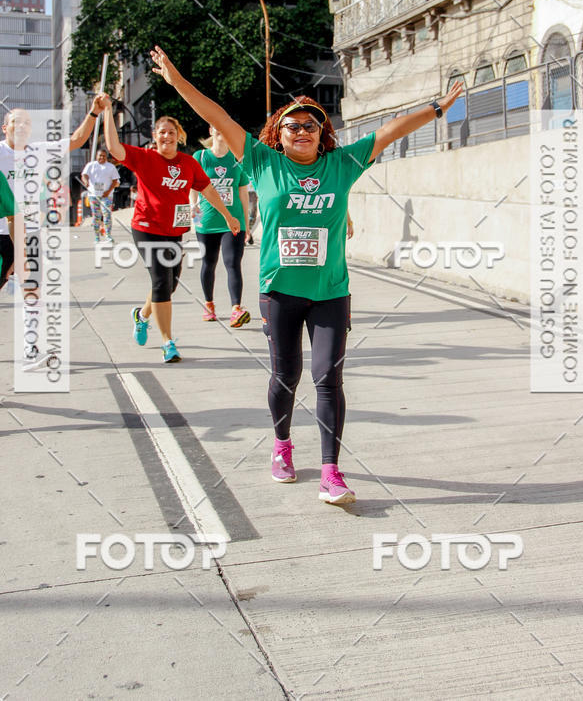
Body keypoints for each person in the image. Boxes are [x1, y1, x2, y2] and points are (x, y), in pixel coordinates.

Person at [151, 45, 462, 503]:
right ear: (279, 133)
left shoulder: (342, 164)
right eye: (293, 125)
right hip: (280, 292)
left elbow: (389, 131)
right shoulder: (262, 162)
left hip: (331, 293)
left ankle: (331, 472)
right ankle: (281, 446)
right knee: (285, 376)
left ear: (323, 133)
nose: (302, 130)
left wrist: (437, 108)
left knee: (328, 379)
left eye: (311, 124)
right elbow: (217, 116)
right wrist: (177, 82)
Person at [98, 95, 241, 363]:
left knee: (170, 284)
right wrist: (107, 112)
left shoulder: (188, 164)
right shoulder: (145, 158)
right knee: (161, 282)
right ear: (155, 135)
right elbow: (115, 148)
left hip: (175, 231)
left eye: (171, 132)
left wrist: (229, 216)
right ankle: (168, 342)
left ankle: (141, 316)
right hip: (146, 227)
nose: (167, 136)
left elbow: (208, 189)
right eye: (162, 132)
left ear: (179, 136)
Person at [0, 101, 104, 292]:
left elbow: (76, 140)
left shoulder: (38, 151)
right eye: (16, 121)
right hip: (1, 234)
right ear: (5, 128)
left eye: (26, 123)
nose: (22, 126)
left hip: (30, 233)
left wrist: (94, 113)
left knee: (32, 291)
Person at [191, 126, 251, 327]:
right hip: (207, 222)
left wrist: (247, 224)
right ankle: (209, 305)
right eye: (216, 127)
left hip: (233, 222)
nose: (220, 130)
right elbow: (193, 187)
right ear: (210, 129)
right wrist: (193, 208)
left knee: (233, 263)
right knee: (209, 263)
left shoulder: (237, 159)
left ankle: (236, 309)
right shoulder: (200, 157)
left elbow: (243, 193)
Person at [81, 148, 120, 244]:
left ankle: (108, 235)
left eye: (104, 156)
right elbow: (84, 175)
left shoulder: (110, 167)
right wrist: (86, 181)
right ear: (96, 156)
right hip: (93, 194)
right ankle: (97, 237)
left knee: (107, 215)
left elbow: (115, 181)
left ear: (106, 157)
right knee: (96, 216)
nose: (102, 157)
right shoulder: (91, 165)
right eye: (100, 155)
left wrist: (108, 191)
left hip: (106, 195)